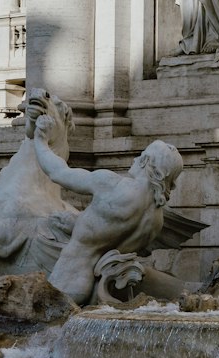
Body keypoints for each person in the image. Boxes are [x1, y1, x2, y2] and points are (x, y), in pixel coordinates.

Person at [31, 117, 184, 306]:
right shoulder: (156, 219)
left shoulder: (113, 184)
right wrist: (75, 223)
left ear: (146, 162)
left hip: (68, 280)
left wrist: (41, 140)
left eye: (140, 155)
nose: (135, 159)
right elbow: (107, 238)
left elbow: (58, 172)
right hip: (100, 288)